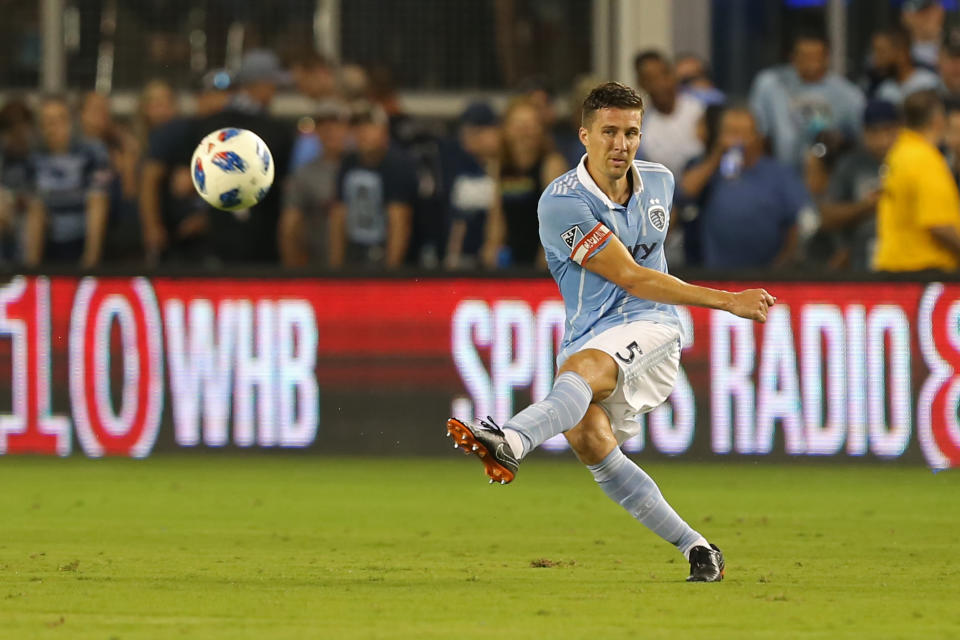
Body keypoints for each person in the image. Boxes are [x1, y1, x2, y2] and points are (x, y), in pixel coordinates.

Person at [446, 82, 775, 583]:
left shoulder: (661, 182)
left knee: (582, 374)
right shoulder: (561, 203)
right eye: (609, 132)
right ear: (585, 136)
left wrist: (724, 299)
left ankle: (511, 440)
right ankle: (698, 547)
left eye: (631, 133)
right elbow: (628, 273)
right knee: (590, 438)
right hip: (588, 336)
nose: (621, 144)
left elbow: (643, 286)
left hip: (653, 327)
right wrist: (728, 300)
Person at [186, 49, 294, 265]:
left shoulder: (211, 123)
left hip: (217, 231)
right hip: (260, 232)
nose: (275, 92)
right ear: (260, 85)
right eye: (273, 85)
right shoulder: (274, 130)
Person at [681, 106, 812, 269]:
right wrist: (717, 155)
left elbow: (800, 220)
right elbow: (683, 193)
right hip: (714, 274)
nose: (736, 140)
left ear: (757, 137)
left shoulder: (779, 173)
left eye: (742, 133)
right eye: (729, 132)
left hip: (767, 275)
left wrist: (783, 264)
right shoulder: (706, 166)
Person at [749, 31, 864, 171]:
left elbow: (862, 140)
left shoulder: (849, 95)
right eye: (804, 56)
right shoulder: (770, 83)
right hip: (778, 170)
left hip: (827, 173)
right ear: (792, 57)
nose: (811, 63)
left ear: (827, 57)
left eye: (816, 57)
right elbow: (757, 133)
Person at [874, 90, 960, 272]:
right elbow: (939, 225)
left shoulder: (898, 152)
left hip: (895, 265)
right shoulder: (925, 159)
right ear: (937, 119)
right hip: (922, 269)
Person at [328, 101, 417, 269]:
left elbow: (399, 220)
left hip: (382, 252)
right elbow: (339, 215)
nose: (362, 132)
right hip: (355, 250)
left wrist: (390, 274)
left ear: (384, 130)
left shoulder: (397, 164)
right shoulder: (349, 162)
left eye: (368, 126)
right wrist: (335, 269)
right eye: (357, 127)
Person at [24, 95, 110, 267]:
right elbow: (31, 197)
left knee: (97, 201)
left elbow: (99, 193)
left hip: (82, 222)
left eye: (58, 120)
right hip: (49, 228)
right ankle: (30, 273)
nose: (52, 128)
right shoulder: (34, 156)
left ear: (71, 122)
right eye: (47, 122)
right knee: (35, 210)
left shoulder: (92, 150)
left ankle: (89, 265)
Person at [481, 97, 567, 269]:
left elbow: (558, 217)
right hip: (513, 255)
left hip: (546, 258)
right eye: (518, 125)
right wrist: (491, 247)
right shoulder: (502, 166)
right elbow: (497, 215)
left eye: (530, 125)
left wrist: (547, 255)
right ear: (506, 130)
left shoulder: (551, 165)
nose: (524, 132)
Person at [817, 100, 900, 270]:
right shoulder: (851, 165)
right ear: (864, 133)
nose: (882, 140)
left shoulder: (913, 162)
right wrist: (866, 206)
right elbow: (827, 217)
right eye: (875, 132)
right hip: (862, 262)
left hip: (906, 260)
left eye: (889, 131)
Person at [279, 100, 350, 267]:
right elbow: (290, 224)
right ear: (317, 131)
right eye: (324, 126)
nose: (330, 131)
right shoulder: (304, 174)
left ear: (348, 130)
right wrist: (293, 273)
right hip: (318, 267)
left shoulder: (363, 168)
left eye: (337, 125)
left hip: (365, 268)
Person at [443, 101, 500, 270]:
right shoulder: (464, 170)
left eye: (477, 132)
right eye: (466, 131)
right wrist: (452, 257)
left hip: (505, 258)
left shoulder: (510, 166)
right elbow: (460, 221)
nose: (468, 137)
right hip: (469, 260)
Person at [634, 50, 706, 177]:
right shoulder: (641, 129)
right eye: (651, 79)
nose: (661, 83)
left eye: (665, 74)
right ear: (642, 84)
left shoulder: (702, 106)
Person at [0, 98, 35, 263]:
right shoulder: (3, 155)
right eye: (11, 130)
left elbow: (41, 188)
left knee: (32, 215)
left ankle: (28, 273)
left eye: (22, 129)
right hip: (6, 210)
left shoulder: (36, 155)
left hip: (29, 213)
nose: (17, 135)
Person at [871, 26, 941, 105]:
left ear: (902, 53)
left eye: (882, 52)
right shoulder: (883, 89)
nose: (876, 59)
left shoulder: (928, 83)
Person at [902, 0, 945, 71]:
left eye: (934, 10)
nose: (930, 16)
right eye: (923, 12)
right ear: (907, 17)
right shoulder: (897, 53)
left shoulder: (954, 43)